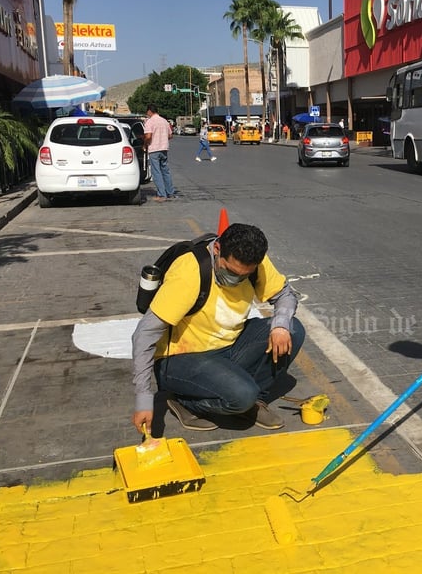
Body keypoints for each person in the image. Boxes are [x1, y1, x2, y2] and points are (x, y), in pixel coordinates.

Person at [131, 223, 306, 433]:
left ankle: (253, 403)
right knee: (242, 395)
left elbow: (285, 295)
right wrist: (144, 398)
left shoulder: (255, 261)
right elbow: (144, 334)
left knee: (293, 329)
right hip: (181, 358)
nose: (237, 279)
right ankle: (186, 402)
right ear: (217, 250)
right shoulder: (189, 272)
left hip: (228, 346)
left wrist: (280, 327)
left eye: (244, 275)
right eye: (231, 272)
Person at [143, 104, 176, 202]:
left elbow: (148, 136)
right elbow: (170, 135)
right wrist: (162, 137)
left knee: (156, 172)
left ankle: (162, 194)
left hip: (154, 149)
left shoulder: (150, 122)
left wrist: (144, 144)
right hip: (164, 149)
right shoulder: (164, 121)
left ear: (149, 111)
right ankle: (170, 193)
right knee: (165, 171)